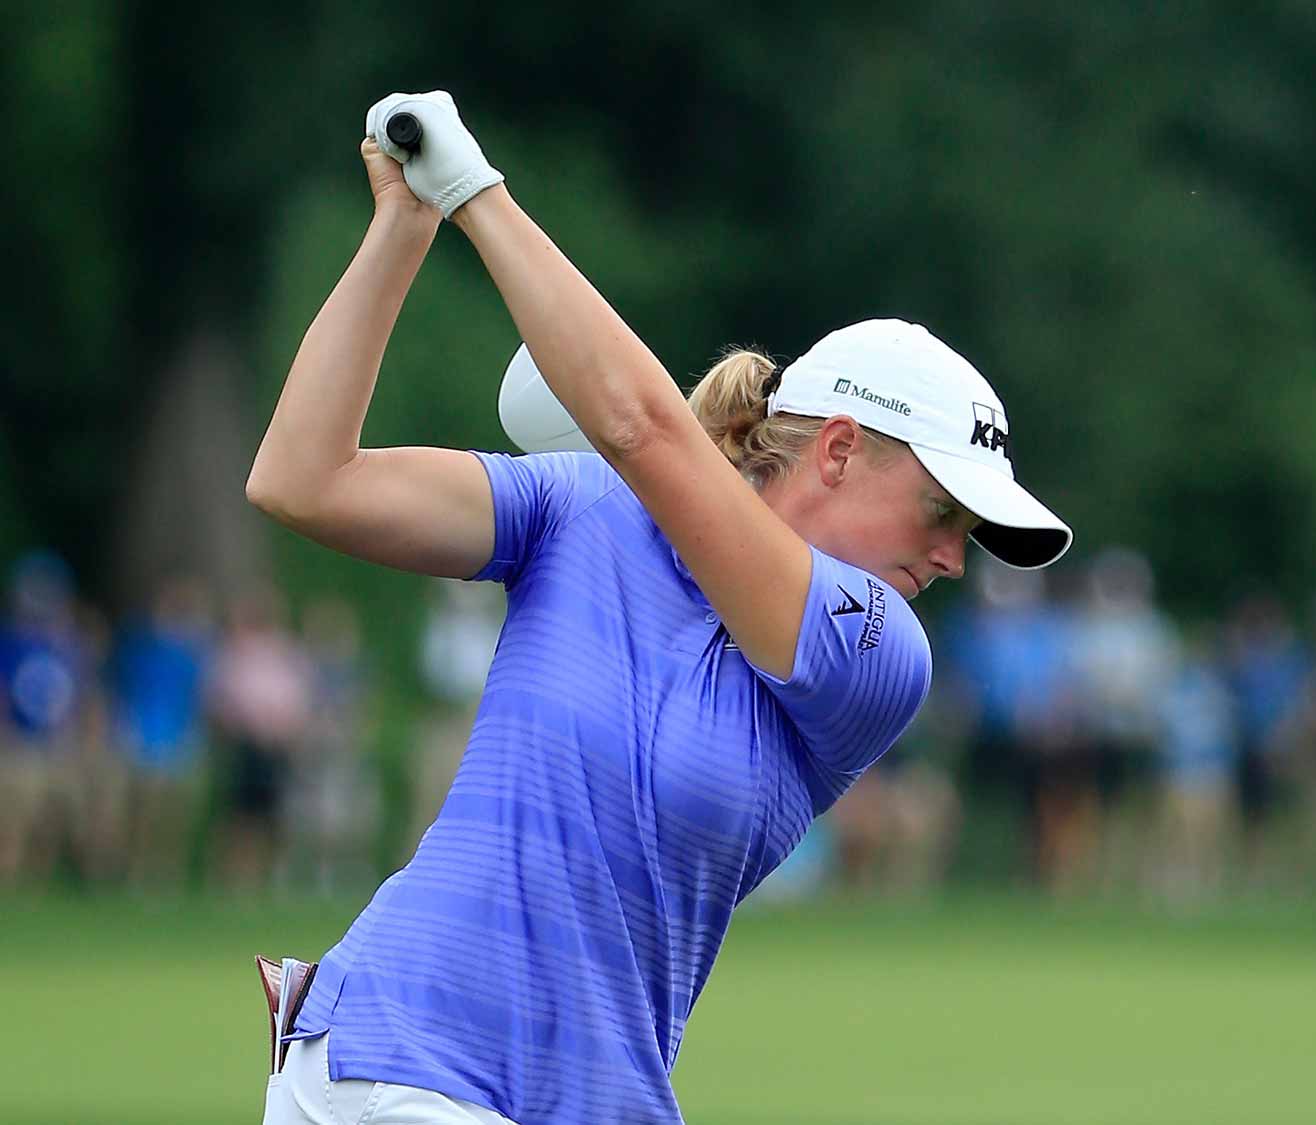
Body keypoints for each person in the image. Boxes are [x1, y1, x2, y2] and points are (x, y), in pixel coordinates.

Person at [246, 91, 1071, 1125]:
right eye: (941, 510)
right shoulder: (580, 508)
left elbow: (646, 433)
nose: (954, 557)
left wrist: (475, 193)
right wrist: (408, 224)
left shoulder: (880, 655)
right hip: (394, 1057)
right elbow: (303, 479)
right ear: (840, 447)